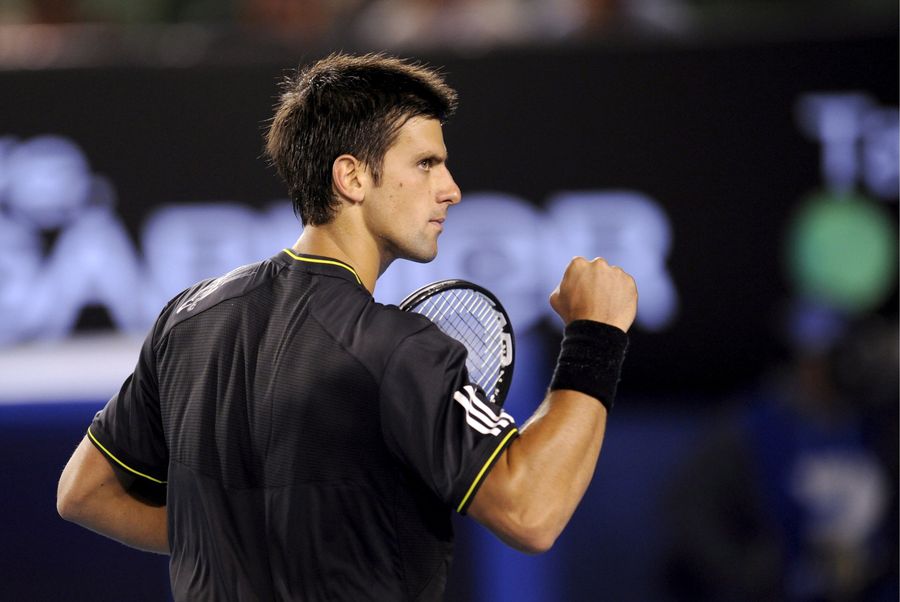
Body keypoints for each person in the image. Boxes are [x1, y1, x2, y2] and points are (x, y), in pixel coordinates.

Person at [56, 52, 637, 601]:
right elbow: (530, 512)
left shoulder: (186, 319)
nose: (451, 190)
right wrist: (597, 335)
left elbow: (83, 492)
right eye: (426, 164)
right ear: (352, 178)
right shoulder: (399, 348)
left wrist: (232, 539)